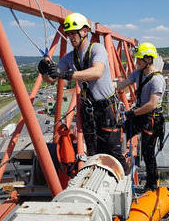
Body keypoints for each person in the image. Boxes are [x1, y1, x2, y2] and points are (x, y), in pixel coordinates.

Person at [37, 13, 129, 174]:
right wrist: (45, 71)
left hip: (106, 109)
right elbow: (51, 79)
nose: (71, 37)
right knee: (93, 153)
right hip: (89, 111)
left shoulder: (97, 49)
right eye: (69, 34)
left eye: (74, 32)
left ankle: (124, 178)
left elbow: (97, 72)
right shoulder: (70, 57)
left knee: (114, 154)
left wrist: (68, 75)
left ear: (85, 31)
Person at [116, 42, 166, 191]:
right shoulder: (138, 73)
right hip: (140, 114)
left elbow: (151, 104)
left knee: (147, 152)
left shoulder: (157, 80)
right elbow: (123, 84)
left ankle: (151, 184)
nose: (136, 62)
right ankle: (121, 165)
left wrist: (132, 113)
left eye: (139, 60)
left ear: (148, 60)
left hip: (152, 119)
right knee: (119, 132)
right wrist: (111, 89)